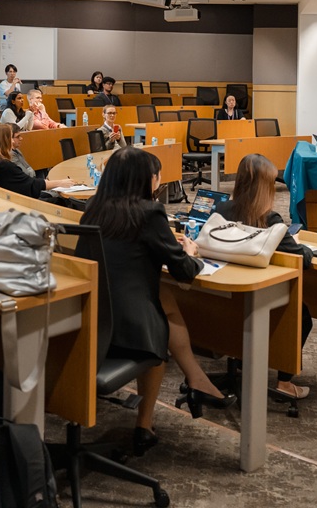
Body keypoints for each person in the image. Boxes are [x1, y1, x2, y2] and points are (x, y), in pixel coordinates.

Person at [80, 146, 221, 455]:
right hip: (128, 332)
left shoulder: (93, 206)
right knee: (158, 321)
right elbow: (183, 271)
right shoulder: (149, 212)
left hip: (90, 322)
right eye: (155, 176)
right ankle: (149, 420)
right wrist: (191, 253)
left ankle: (194, 380)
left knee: (164, 296)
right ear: (144, 180)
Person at [214, 153, 315, 399]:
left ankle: (240, 360)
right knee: (301, 315)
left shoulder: (221, 210)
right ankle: (284, 382)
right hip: (259, 294)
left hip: (225, 296)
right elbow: (305, 258)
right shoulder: (269, 220)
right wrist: (304, 247)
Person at [0, 124, 71, 197]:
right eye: (10, 138)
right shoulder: (5, 165)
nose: (12, 142)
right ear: (3, 141)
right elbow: (30, 184)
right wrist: (60, 183)